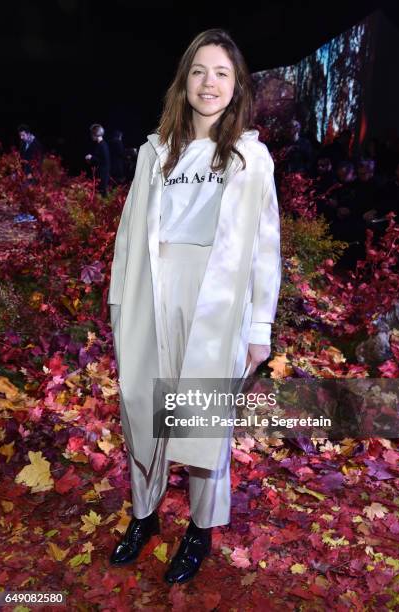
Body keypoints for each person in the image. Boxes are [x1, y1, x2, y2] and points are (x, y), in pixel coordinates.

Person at [107, 28, 281, 585]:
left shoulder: (251, 158)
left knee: (203, 423)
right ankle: (144, 515)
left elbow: (264, 246)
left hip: (215, 305)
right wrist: (118, 303)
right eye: (200, 71)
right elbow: (129, 236)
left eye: (222, 73)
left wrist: (260, 326)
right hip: (152, 294)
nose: (210, 83)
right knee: (144, 413)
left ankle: (201, 530)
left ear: (237, 86)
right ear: (184, 81)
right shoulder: (154, 151)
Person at [85, 123, 110, 196]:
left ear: (96, 134)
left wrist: (91, 157)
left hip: (102, 174)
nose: (91, 136)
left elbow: (104, 161)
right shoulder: (100, 144)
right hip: (100, 173)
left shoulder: (103, 145)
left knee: (101, 194)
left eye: (92, 134)